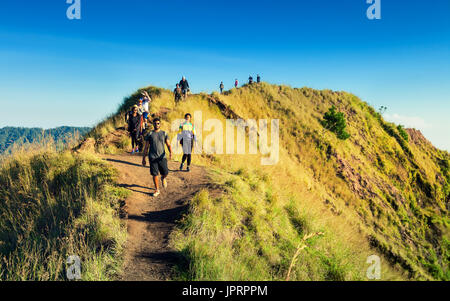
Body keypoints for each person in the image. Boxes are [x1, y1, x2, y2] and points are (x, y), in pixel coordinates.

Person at [142, 118, 173, 197]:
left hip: (162, 157)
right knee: (155, 174)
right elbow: (146, 147)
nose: (157, 125)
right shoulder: (150, 134)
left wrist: (171, 152)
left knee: (165, 172)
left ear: (160, 124)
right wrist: (143, 158)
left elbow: (168, 144)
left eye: (158, 123)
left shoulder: (164, 133)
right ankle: (157, 189)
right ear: (153, 124)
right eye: (155, 123)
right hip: (152, 157)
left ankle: (163, 178)